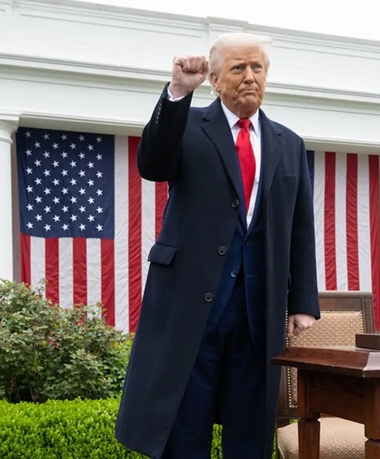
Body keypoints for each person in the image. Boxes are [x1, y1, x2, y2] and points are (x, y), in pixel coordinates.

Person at [115, 32, 320, 459]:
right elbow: (152, 164)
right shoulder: (186, 124)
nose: (250, 77)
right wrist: (177, 92)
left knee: (250, 432)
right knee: (185, 428)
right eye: (238, 68)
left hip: (258, 311)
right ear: (214, 79)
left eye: (257, 67)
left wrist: (302, 302)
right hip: (191, 306)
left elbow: (301, 227)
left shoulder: (290, 143)